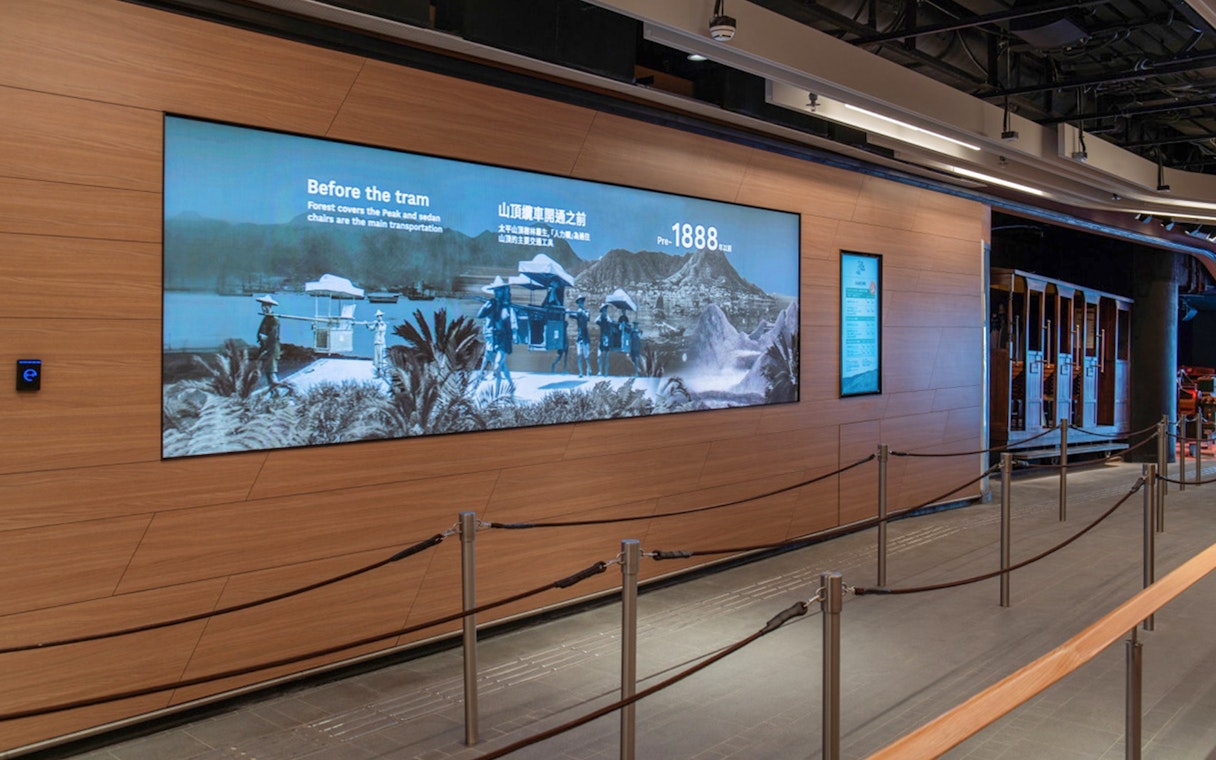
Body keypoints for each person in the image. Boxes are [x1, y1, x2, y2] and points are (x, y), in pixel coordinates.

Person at [478, 276, 514, 392]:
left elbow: (510, 322)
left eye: (499, 290)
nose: (497, 292)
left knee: (498, 365)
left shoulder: (507, 305)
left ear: (503, 291)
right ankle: (510, 385)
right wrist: (486, 306)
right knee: (500, 365)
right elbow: (480, 315)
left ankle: (498, 390)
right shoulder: (492, 303)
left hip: (503, 338)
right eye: (496, 290)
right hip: (494, 336)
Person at [255, 295, 282, 394]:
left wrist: (265, 338)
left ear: (270, 307)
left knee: (272, 372)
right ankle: (273, 393)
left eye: (265, 306)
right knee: (268, 372)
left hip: (272, 349)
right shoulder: (266, 318)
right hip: (266, 349)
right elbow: (260, 331)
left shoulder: (274, 319)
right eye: (263, 306)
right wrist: (261, 337)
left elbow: (274, 336)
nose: (263, 308)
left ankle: (277, 392)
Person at [569, 296, 592, 377]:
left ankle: (588, 369)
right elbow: (572, 315)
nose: (581, 304)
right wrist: (569, 311)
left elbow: (587, 318)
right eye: (579, 302)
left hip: (585, 336)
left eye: (582, 302)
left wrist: (585, 313)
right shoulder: (578, 312)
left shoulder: (585, 312)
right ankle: (581, 372)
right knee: (579, 355)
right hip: (579, 336)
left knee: (586, 356)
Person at [367, 309, 388, 378]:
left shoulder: (383, 324)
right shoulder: (376, 324)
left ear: (381, 317)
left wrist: (378, 324)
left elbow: (382, 330)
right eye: (378, 316)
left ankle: (384, 372)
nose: (379, 317)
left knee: (382, 357)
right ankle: (378, 372)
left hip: (381, 342)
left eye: (380, 316)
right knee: (376, 357)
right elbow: (371, 328)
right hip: (376, 342)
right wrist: (367, 324)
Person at [595, 303, 613, 376]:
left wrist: (607, 316)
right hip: (601, 339)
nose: (604, 311)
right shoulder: (601, 319)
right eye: (603, 310)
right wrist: (600, 315)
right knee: (599, 356)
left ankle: (606, 372)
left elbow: (611, 322)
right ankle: (600, 371)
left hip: (607, 340)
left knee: (606, 357)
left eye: (605, 310)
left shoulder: (608, 319)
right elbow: (595, 321)